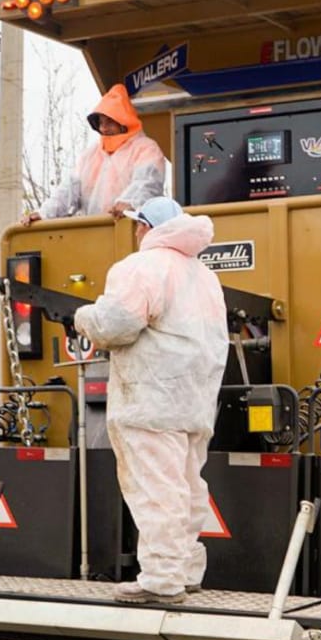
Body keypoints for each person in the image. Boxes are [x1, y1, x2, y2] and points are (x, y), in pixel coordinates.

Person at [73, 196, 228, 604]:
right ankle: (186, 569)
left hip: (151, 399)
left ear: (146, 227)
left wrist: (82, 316)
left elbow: (115, 325)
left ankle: (161, 580)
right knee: (187, 485)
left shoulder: (141, 267)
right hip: (194, 401)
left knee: (157, 488)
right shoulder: (205, 276)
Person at [20, 83, 165, 224]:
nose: (104, 128)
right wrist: (43, 213)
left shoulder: (146, 149)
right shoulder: (90, 155)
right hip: (94, 235)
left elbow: (147, 184)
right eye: (100, 122)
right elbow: (68, 190)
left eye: (109, 121)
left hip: (132, 233)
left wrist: (129, 203)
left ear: (123, 121)